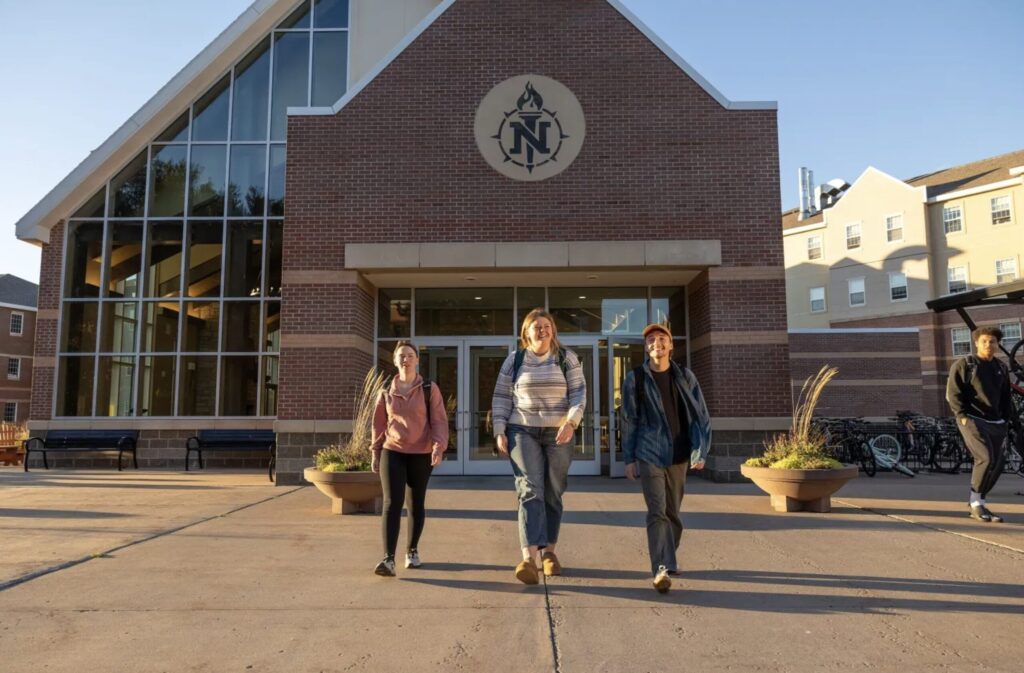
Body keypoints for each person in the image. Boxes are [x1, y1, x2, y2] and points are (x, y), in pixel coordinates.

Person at [492, 308, 586, 585]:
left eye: (546, 326)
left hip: (559, 431)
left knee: (553, 490)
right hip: (521, 429)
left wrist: (571, 423)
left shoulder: (565, 358)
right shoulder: (515, 360)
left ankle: (550, 553)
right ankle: (529, 558)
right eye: (536, 326)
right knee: (530, 489)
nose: (542, 330)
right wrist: (499, 429)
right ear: (526, 333)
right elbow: (500, 397)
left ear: (553, 331)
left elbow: (579, 393)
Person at [621, 323, 711, 593]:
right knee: (657, 512)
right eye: (650, 340)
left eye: (662, 339)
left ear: (671, 346)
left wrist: (700, 450)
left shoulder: (685, 376)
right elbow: (628, 420)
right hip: (649, 453)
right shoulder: (635, 378)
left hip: (680, 453)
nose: (656, 343)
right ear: (646, 347)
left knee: (673, 512)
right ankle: (660, 568)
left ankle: (668, 558)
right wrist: (629, 458)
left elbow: (701, 417)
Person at [370, 341, 449, 576]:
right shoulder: (385, 389)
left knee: (415, 504)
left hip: (421, 453)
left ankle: (412, 551)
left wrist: (438, 446)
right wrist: (375, 451)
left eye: (410, 355)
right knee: (391, 503)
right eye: (401, 356)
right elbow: (378, 424)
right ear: (395, 361)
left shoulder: (428, 388)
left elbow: (439, 420)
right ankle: (388, 559)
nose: (406, 359)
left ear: (417, 360)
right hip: (392, 450)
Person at [946, 326, 1013, 523]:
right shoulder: (965, 364)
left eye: (992, 341)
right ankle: (975, 503)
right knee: (985, 458)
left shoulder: (1001, 368)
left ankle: (979, 502)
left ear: (997, 344)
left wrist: (1005, 420)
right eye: (984, 341)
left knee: (995, 464)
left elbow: (1005, 397)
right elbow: (953, 392)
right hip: (972, 418)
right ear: (976, 342)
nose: (988, 345)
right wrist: (962, 415)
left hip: (996, 421)